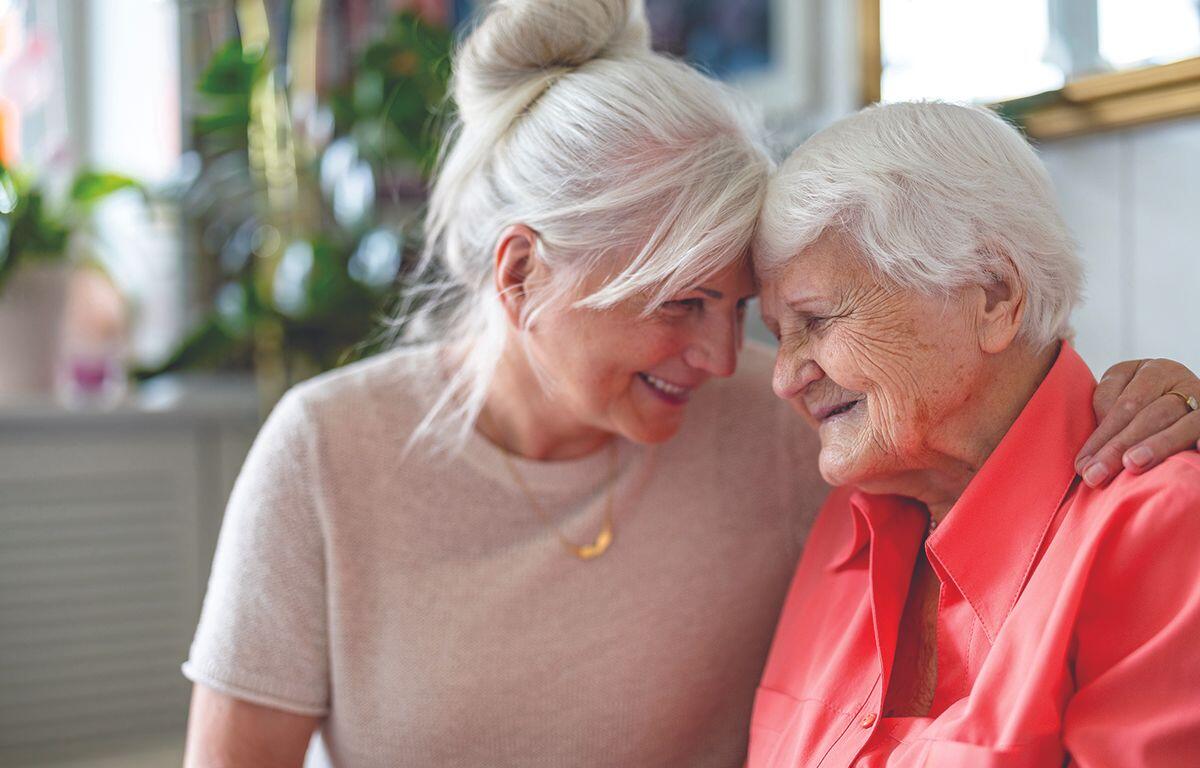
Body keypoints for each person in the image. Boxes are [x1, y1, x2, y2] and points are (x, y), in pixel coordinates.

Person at [182, 3, 1200, 766]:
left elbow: (1004, 414)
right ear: (522, 272)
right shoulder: (324, 449)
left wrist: (1161, 396)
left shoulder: (798, 437)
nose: (730, 365)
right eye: (677, 305)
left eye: (739, 309)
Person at [749, 101, 1200, 767]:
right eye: (776, 333)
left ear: (992, 294)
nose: (784, 376)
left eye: (817, 320)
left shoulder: (1160, 525)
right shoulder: (847, 521)